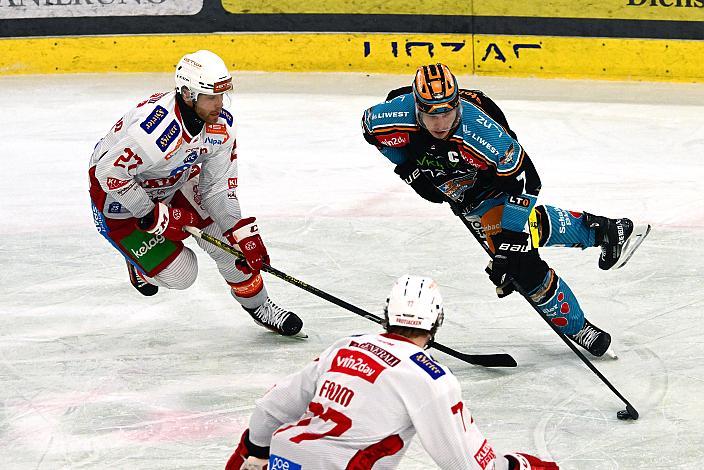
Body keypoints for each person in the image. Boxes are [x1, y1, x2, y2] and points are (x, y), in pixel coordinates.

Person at [361, 64, 650, 357]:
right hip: (460, 184)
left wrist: (509, 241)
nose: (441, 122)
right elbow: (370, 130)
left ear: (458, 103)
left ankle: (578, 327)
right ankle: (607, 230)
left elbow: (526, 183)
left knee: (518, 263)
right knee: (509, 245)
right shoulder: (391, 117)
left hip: (493, 180)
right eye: (432, 114)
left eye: (447, 112)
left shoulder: (483, 133)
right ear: (417, 107)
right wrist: (409, 168)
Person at [226, 275, 559, 470]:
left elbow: (270, 410)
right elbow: (464, 462)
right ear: (437, 321)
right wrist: (524, 465)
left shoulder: (346, 346)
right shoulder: (430, 377)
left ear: (387, 314)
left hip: (285, 458)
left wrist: (256, 454)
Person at [88, 49, 303, 337]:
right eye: (210, 97)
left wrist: (239, 232)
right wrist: (152, 215)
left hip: (173, 181)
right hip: (120, 201)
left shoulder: (221, 126)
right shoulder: (156, 130)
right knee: (182, 275)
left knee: (229, 246)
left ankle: (261, 307)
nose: (219, 104)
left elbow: (216, 187)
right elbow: (108, 173)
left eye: (222, 95)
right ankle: (139, 266)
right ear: (187, 94)